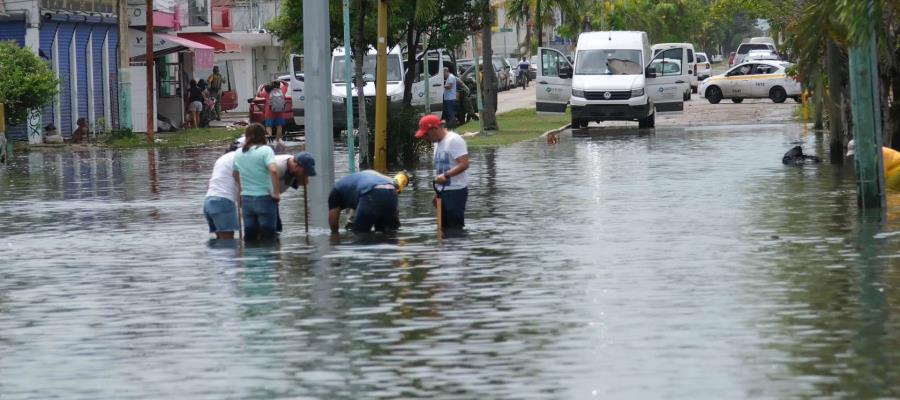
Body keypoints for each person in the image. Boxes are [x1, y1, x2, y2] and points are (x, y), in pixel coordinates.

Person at [415, 114, 469, 230]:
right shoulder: (437, 144)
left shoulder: (454, 140)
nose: (426, 138)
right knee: (443, 229)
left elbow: (464, 164)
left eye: (426, 134)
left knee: (455, 230)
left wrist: (446, 175)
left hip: (456, 192)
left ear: (434, 128)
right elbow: (441, 168)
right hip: (442, 193)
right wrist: (437, 193)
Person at [232, 123, 282, 240]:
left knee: (250, 238)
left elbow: (235, 174)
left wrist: (241, 191)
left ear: (247, 136)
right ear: (262, 136)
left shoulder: (239, 152)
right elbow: (274, 171)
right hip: (264, 198)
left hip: (246, 200)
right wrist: (276, 193)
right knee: (268, 238)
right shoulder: (265, 150)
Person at [328, 170, 409, 234]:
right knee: (388, 234)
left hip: (371, 193)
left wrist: (335, 238)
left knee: (361, 235)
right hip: (391, 192)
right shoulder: (364, 178)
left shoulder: (336, 192)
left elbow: (333, 224)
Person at [203, 145, 240, 240]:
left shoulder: (221, 159)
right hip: (223, 202)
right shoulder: (239, 157)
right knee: (227, 244)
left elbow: (208, 185)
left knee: (220, 242)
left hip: (208, 201)